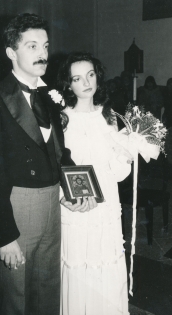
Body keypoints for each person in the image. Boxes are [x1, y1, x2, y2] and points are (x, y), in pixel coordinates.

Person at [0, 13, 66, 315]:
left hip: (53, 201)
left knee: (48, 286)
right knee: (16, 295)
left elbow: (58, 152)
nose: (43, 54)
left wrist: (76, 187)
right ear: (11, 52)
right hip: (18, 206)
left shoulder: (50, 95)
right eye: (32, 46)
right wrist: (5, 237)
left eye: (46, 46)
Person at [57, 52, 134, 315]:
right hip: (75, 205)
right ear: (68, 84)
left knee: (105, 262)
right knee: (79, 264)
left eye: (90, 75)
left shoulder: (110, 117)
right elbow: (56, 167)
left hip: (107, 205)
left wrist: (126, 155)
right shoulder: (62, 119)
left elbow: (119, 175)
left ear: (97, 77)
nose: (86, 82)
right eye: (77, 78)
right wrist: (64, 197)